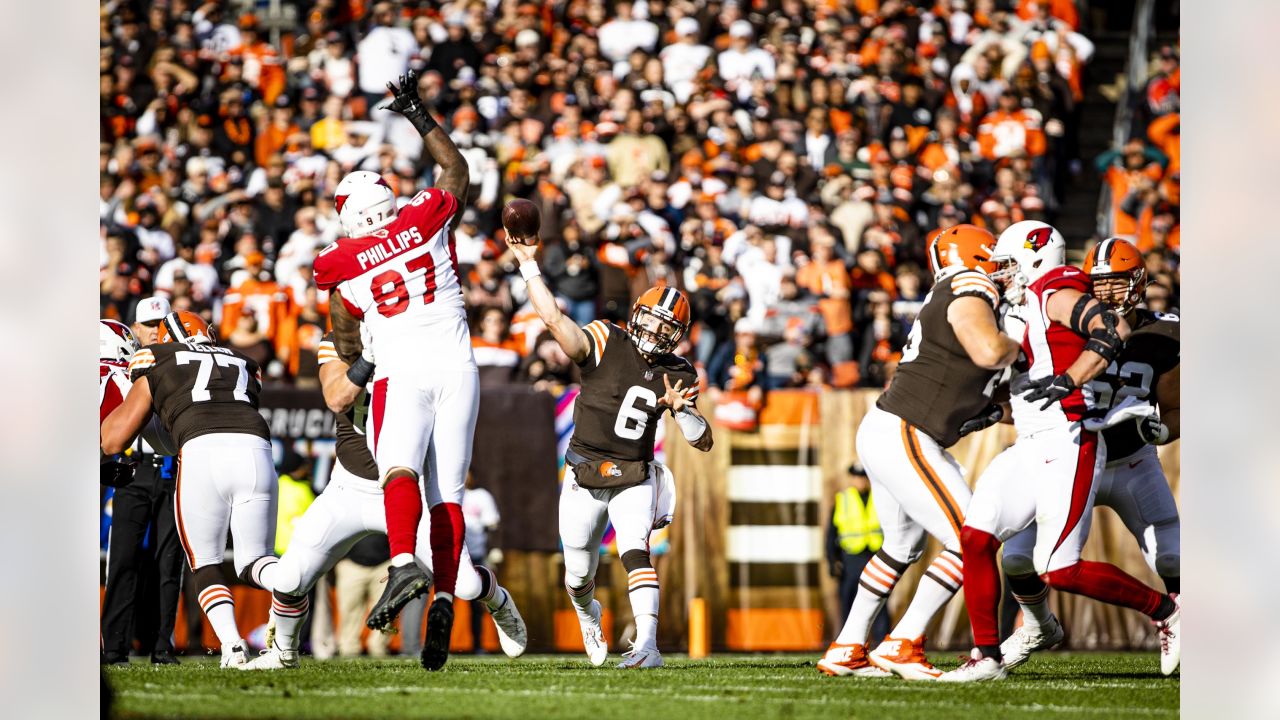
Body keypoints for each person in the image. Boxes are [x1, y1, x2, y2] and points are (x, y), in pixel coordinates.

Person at [941, 222, 1180, 682]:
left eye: (1009, 266)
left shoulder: (1058, 290)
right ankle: (1002, 647)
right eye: (1101, 282)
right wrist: (992, 411)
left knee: (1124, 562)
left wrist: (1160, 429)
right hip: (1044, 442)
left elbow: (1113, 335)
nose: (1002, 275)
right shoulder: (1027, 311)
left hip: (1108, 452)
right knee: (990, 545)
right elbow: (1036, 392)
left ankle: (1172, 613)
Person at [312, 69, 474, 671]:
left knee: (398, 470)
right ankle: (444, 599)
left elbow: (347, 336)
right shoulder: (425, 216)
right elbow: (455, 173)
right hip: (458, 366)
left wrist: (355, 347)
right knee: (449, 495)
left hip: (400, 372)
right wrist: (419, 115)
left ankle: (402, 561)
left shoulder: (339, 264)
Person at [240, 333, 526, 670]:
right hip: (348, 488)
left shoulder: (419, 340)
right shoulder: (338, 343)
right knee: (289, 578)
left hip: (407, 490)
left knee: (464, 585)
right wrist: (369, 358)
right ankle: (283, 652)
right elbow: (336, 397)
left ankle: (499, 601)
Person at [818, 225, 1020, 680]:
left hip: (894, 430)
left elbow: (989, 392)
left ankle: (848, 645)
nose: (1008, 273)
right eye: (1000, 260)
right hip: (906, 432)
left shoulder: (959, 293)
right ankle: (903, 641)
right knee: (973, 538)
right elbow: (989, 351)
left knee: (902, 546)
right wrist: (1025, 347)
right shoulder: (971, 283)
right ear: (978, 256)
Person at [509, 229, 713, 669]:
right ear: (637, 314)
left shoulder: (678, 371)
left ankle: (648, 647)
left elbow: (703, 440)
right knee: (578, 576)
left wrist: (686, 412)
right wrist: (528, 266)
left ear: (677, 335)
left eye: (667, 327)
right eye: (654, 320)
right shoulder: (605, 338)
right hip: (584, 472)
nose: (657, 331)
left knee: (633, 548)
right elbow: (554, 321)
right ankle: (588, 614)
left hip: (635, 473)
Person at [101, 311, 279, 669]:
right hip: (257, 450)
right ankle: (292, 599)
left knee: (205, 561)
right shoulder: (244, 361)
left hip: (200, 451)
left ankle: (232, 647)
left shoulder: (155, 358)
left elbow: (113, 439)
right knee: (256, 562)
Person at [825, 464, 889, 644]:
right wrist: (832, 560)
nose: (860, 481)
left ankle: (881, 644)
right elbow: (831, 534)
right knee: (848, 601)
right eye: (857, 477)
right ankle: (848, 643)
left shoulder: (879, 499)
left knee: (880, 602)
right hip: (850, 558)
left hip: (875, 556)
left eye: (863, 477)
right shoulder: (843, 500)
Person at [462, 473, 500, 653]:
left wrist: (492, 550)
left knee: (477, 603)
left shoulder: (481, 496)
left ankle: (477, 644)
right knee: (444, 601)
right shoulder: (446, 493)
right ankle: (440, 644)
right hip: (451, 556)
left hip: (476, 555)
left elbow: (492, 524)